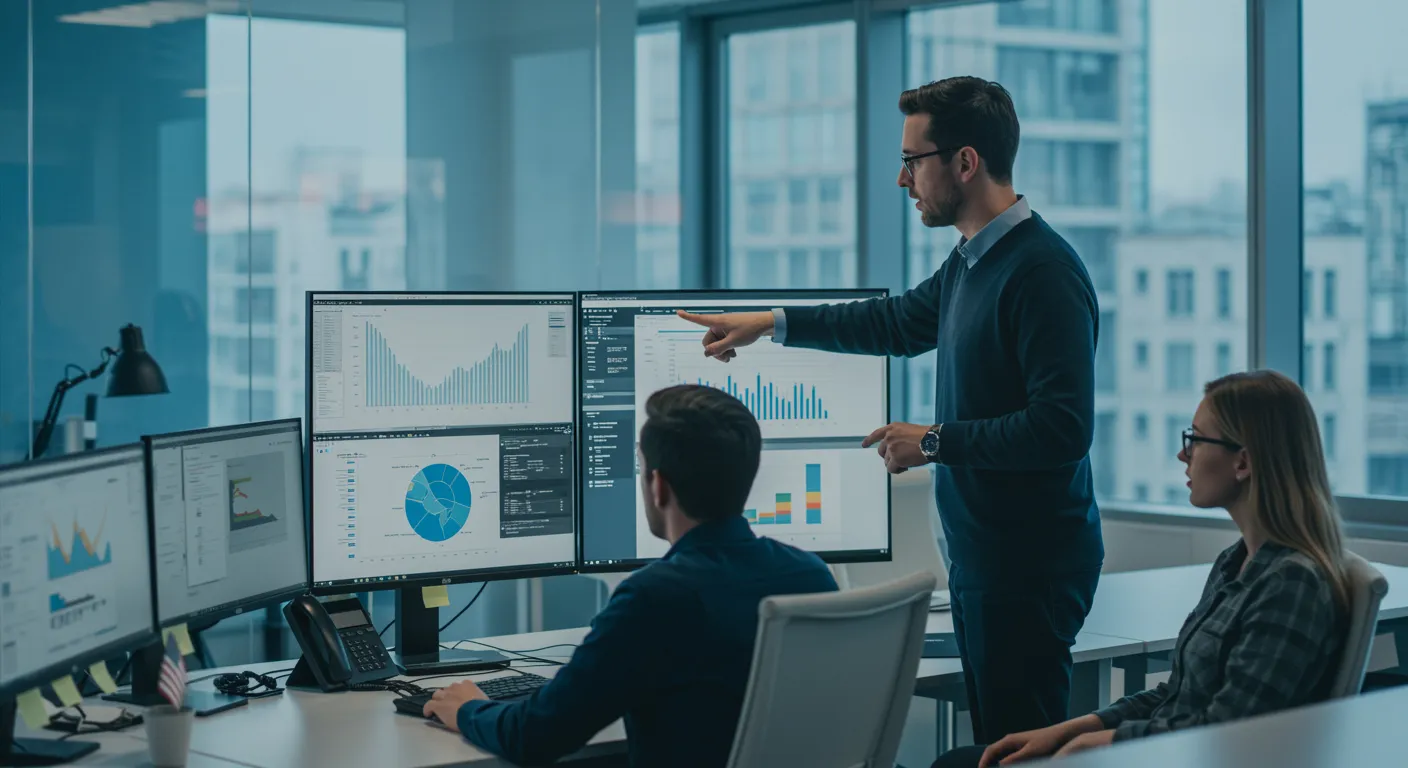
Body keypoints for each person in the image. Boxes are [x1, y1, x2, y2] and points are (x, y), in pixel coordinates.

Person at [678, 76, 1103, 744]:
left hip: (1028, 567)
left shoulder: (1041, 272)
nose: (903, 180)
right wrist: (771, 322)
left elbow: (1063, 428)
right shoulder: (972, 262)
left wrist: (933, 442)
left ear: (964, 162)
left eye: (913, 161)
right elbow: (896, 324)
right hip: (989, 561)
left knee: (1021, 747)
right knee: (1003, 741)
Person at [931, 370, 1349, 767]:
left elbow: (1226, 734)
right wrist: (1066, 731)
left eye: (1196, 440)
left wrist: (1101, 744)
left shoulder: (1291, 584)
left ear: (1243, 462)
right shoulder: (1236, 562)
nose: (1183, 454)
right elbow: (1176, 694)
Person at [422, 384, 839, 767]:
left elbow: (537, 736)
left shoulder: (656, 597)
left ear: (658, 486)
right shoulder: (811, 576)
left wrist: (468, 708)